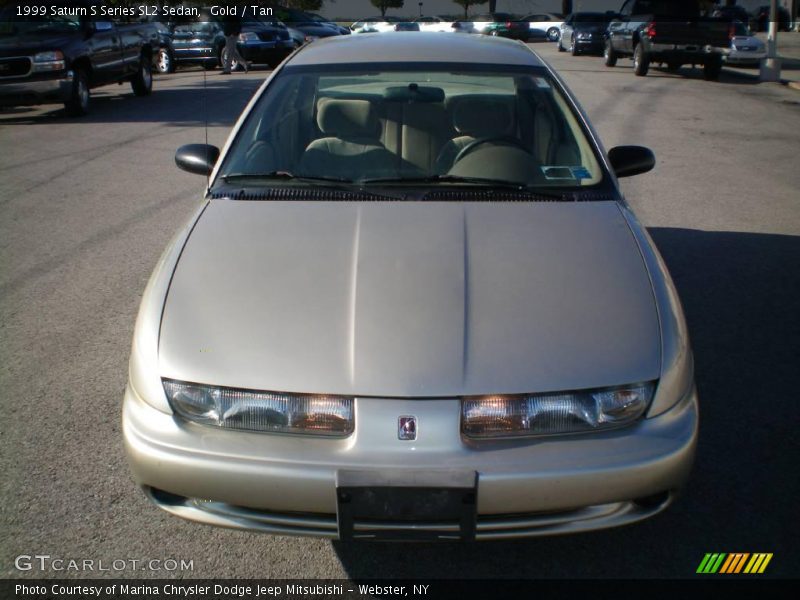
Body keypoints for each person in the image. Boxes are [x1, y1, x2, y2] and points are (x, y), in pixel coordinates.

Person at [222, 7, 249, 74]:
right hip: (228, 35)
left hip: (232, 35)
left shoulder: (233, 16)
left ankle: (227, 69)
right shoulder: (226, 16)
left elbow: (238, 26)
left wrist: (233, 33)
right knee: (232, 52)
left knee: (230, 52)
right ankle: (245, 64)